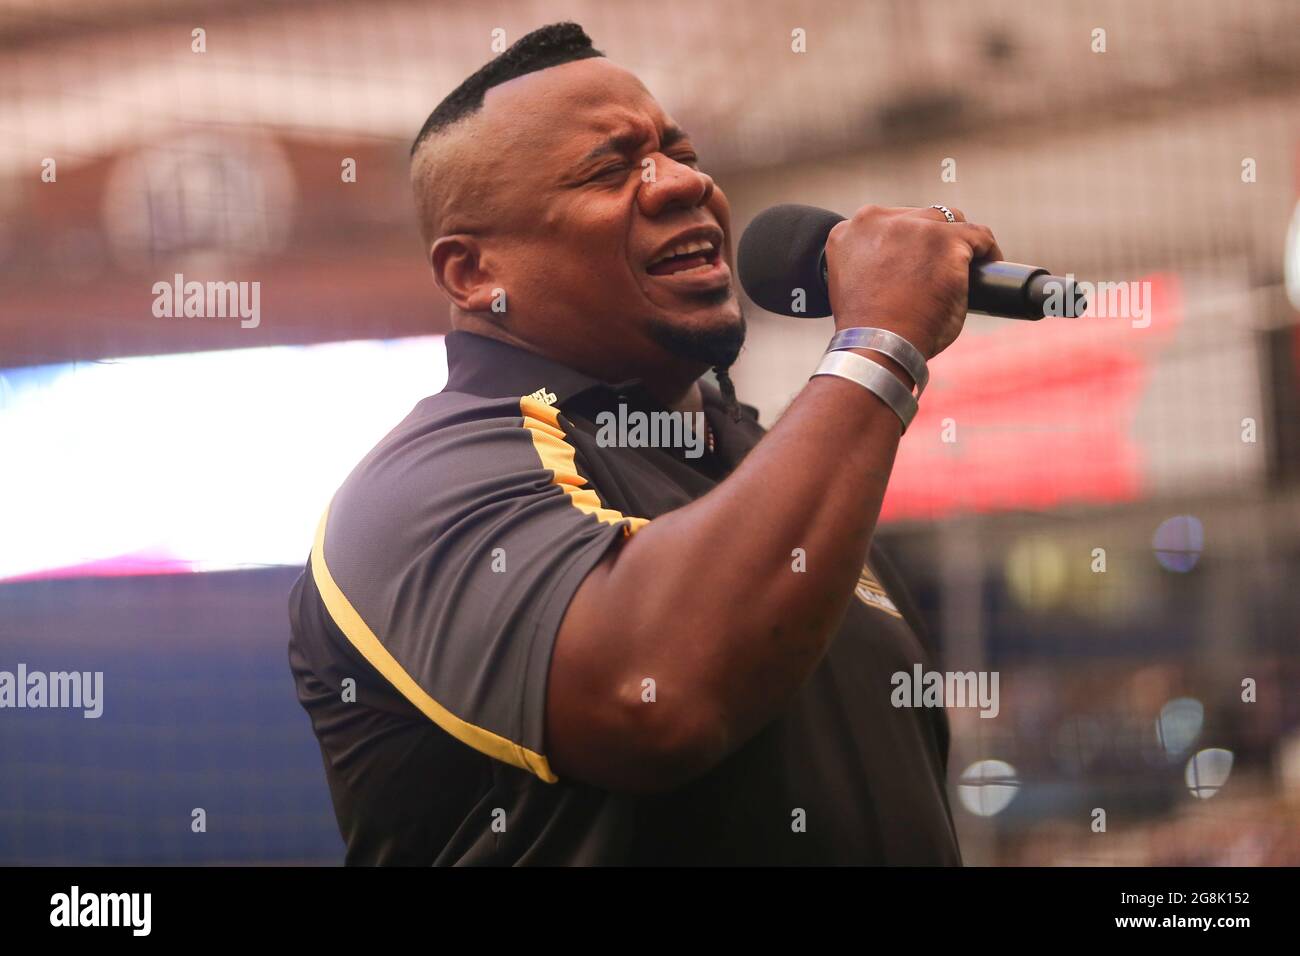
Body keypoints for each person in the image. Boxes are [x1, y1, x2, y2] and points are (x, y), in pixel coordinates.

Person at [288, 21, 1002, 865]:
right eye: (608, 169)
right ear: (475, 274)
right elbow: (653, 698)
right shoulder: (416, 489)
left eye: (679, 150)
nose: (681, 184)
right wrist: (877, 348)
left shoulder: (772, 464)